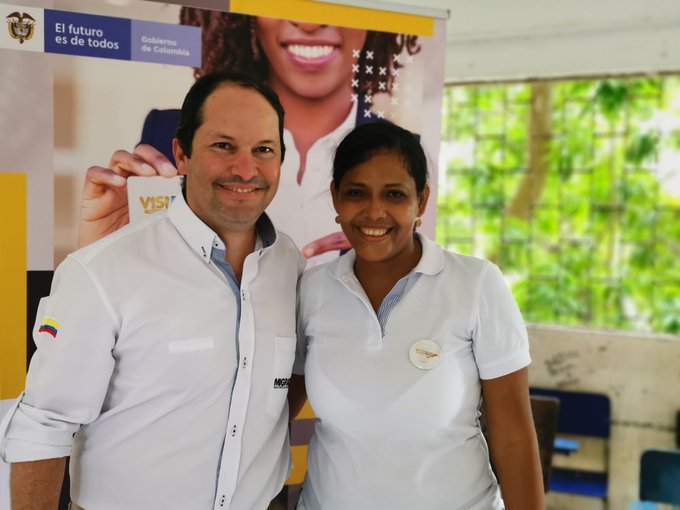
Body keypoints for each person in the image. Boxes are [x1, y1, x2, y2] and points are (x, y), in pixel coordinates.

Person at [0, 72, 305, 510]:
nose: (246, 168)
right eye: (223, 146)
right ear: (181, 154)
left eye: (264, 150)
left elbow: (282, 386)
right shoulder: (102, 269)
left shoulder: (289, 265)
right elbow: (44, 425)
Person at [292, 122, 544, 509]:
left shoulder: (475, 285)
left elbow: (512, 435)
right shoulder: (311, 290)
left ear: (421, 202)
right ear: (335, 199)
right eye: (356, 193)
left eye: (394, 194)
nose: (374, 212)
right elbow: (274, 413)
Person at [78, 9, 420, 263]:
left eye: (265, 149)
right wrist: (99, 255)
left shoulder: (402, 157)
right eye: (223, 146)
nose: (310, 21)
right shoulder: (166, 134)